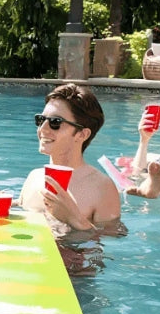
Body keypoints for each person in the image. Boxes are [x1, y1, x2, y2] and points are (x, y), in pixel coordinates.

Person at [17, 83, 122, 234]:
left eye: (55, 122)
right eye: (41, 120)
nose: (42, 129)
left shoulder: (102, 187)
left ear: (82, 134)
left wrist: (74, 219)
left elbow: (114, 238)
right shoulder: (34, 177)